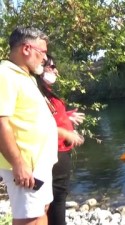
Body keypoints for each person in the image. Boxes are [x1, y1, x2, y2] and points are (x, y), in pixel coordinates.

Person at [0, 27, 57, 225]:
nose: (44, 59)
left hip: (37, 164)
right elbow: (1, 122)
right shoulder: (4, 74)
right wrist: (18, 164)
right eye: (42, 53)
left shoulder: (25, 77)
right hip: (26, 165)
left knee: (40, 211)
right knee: (30, 218)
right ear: (26, 49)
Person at [36, 55, 85, 225]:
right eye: (52, 66)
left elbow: (53, 116)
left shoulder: (45, 91)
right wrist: (67, 134)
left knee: (55, 196)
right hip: (54, 150)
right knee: (57, 196)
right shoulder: (37, 91)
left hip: (58, 150)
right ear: (41, 68)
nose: (56, 70)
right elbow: (39, 123)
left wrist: (68, 116)